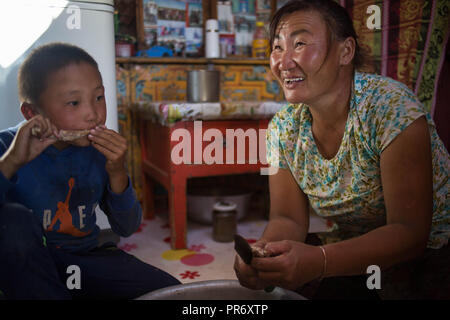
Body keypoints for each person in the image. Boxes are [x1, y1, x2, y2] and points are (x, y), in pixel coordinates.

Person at [234, 0, 449, 300]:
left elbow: (410, 232)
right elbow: (288, 220)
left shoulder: (390, 108)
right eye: (277, 47)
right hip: (354, 245)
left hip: (433, 251)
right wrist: (262, 254)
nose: (283, 62)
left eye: (300, 43)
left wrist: (320, 260)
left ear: (345, 52)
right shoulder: (282, 129)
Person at [0, 42, 181, 300]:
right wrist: (11, 162)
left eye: (98, 97)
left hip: (86, 262)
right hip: (30, 265)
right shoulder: (8, 146)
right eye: (74, 103)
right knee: (13, 220)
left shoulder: (98, 150)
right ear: (31, 113)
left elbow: (127, 226)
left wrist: (118, 171)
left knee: (173, 293)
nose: (93, 114)